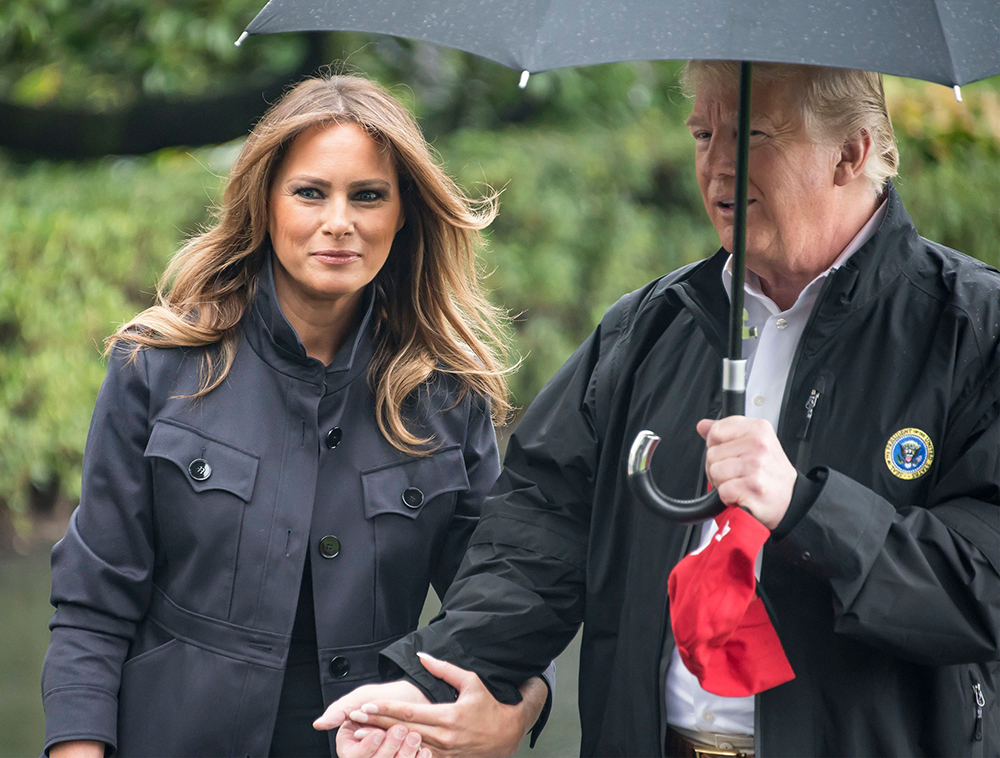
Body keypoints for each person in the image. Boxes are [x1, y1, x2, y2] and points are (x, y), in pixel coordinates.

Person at [321, 62, 1000, 757]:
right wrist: (433, 688)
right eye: (704, 134)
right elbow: (535, 536)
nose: (717, 164)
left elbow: (984, 590)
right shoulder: (647, 328)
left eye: (751, 133)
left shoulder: (973, 331)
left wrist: (806, 507)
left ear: (851, 153)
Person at [40, 73, 551, 758]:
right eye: (310, 192)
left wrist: (519, 705)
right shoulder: (154, 367)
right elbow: (90, 610)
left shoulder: (448, 393)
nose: (338, 222)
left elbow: (499, 599)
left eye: (368, 196)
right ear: (267, 203)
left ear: (402, 215)